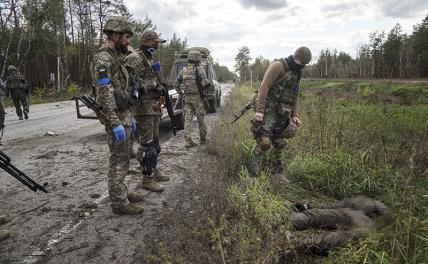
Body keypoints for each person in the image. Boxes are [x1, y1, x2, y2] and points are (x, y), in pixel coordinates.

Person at [91, 16, 144, 215]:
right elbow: (104, 91)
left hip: (123, 114)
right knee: (118, 159)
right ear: (114, 34)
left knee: (124, 158)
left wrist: (130, 117)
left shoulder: (115, 57)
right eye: (126, 37)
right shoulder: (104, 58)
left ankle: (121, 192)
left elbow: (120, 89)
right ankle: (118, 202)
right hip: (115, 116)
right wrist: (114, 122)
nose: (129, 41)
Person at [248, 47, 312, 177]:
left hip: (283, 113)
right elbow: (263, 87)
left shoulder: (297, 72)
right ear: (296, 58)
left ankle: (277, 174)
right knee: (264, 143)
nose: (301, 66)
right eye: (301, 63)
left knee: (279, 143)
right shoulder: (278, 66)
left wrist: (294, 115)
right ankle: (252, 176)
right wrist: (260, 110)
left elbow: (295, 94)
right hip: (269, 110)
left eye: (304, 64)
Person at [125, 30, 170, 193]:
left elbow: (151, 79)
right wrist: (154, 85)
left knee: (156, 146)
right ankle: (147, 178)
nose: (156, 45)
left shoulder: (149, 58)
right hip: (143, 108)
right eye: (154, 42)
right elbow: (130, 84)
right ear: (145, 41)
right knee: (147, 146)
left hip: (154, 107)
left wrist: (161, 87)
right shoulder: (135, 58)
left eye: (157, 42)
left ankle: (153, 170)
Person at [284, 196, 389, 258]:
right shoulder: (375, 205)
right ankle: (280, 222)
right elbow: (346, 204)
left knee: (340, 239)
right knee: (315, 216)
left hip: (372, 229)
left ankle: (293, 245)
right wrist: (308, 206)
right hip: (356, 214)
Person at [173, 50, 209, 148]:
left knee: (187, 120)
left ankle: (188, 141)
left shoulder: (183, 71)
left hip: (187, 99)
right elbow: (206, 83)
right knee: (201, 119)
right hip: (197, 99)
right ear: (197, 59)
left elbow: (175, 85)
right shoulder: (200, 70)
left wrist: (182, 94)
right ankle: (203, 139)